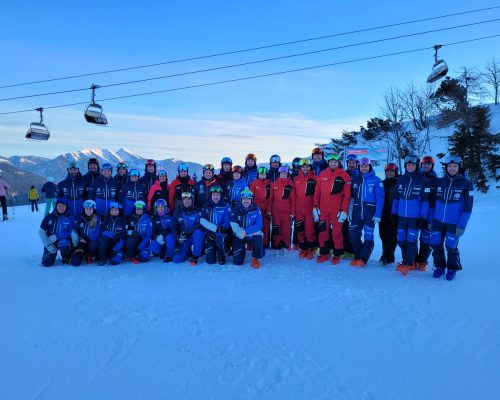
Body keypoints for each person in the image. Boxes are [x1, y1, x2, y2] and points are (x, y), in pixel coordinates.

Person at [430, 155, 474, 281]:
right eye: (450, 166)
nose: (452, 168)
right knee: (436, 245)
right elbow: (432, 204)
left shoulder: (466, 184)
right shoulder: (440, 181)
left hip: (453, 223)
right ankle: (439, 267)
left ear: (459, 167)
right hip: (437, 221)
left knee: (451, 246)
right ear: (446, 168)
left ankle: (452, 268)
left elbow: (468, 208)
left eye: (455, 166)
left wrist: (462, 225)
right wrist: (430, 220)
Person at [391, 154, 431, 276]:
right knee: (401, 240)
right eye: (408, 165)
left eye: (412, 165)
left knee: (411, 241)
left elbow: (425, 201)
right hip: (402, 216)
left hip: (415, 218)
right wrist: (394, 213)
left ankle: (408, 264)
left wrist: (423, 217)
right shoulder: (401, 179)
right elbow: (396, 198)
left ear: (416, 165)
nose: (410, 167)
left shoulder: (424, 181)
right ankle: (410, 261)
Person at [313, 153, 352, 264]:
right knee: (323, 232)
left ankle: (337, 254)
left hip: (337, 211)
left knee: (337, 233)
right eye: (331, 162)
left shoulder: (345, 176)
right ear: (328, 163)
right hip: (323, 210)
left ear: (338, 162)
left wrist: (344, 210)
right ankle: (324, 253)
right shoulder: (322, 174)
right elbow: (317, 192)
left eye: (335, 162)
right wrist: (315, 207)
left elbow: (347, 196)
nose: (333, 164)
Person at [348, 157, 384, 267]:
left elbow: (380, 198)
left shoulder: (376, 180)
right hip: (356, 212)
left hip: (370, 213)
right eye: (362, 166)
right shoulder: (356, 179)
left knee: (368, 236)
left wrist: (378, 214)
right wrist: (350, 211)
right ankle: (357, 255)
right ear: (359, 167)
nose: (364, 168)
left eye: (366, 166)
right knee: (353, 235)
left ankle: (363, 259)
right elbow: (352, 198)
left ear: (369, 167)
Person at [414, 155, 439, 271]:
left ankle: (422, 261)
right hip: (415, 212)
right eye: (424, 164)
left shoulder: (436, 180)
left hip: (429, 212)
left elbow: (435, 200)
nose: (426, 166)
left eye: (428, 164)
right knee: (412, 237)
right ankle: (413, 260)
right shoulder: (417, 177)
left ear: (432, 166)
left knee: (425, 238)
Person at [230, 188, 264, 268]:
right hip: (239, 234)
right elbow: (234, 225)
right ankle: (242, 251)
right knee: (237, 262)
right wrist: (241, 233)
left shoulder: (256, 209)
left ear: (251, 200)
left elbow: (259, 225)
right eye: (244, 199)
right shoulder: (235, 210)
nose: (246, 201)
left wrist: (245, 232)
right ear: (241, 199)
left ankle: (255, 258)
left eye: (248, 199)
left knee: (259, 235)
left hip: (249, 233)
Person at [292, 158, 317, 259]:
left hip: (309, 210)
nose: (305, 168)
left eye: (307, 166)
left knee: (309, 230)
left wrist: (316, 208)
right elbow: (293, 196)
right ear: (300, 168)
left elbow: (317, 194)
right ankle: (302, 249)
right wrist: (293, 210)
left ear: (309, 167)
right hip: (298, 210)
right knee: (300, 230)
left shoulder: (315, 178)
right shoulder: (296, 179)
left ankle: (310, 249)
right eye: (303, 167)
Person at [267, 165, 295, 255]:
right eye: (282, 173)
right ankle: (277, 245)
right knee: (276, 229)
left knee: (286, 230)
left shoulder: (290, 185)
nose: (283, 174)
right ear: (279, 174)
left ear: (287, 174)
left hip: (287, 212)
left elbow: (293, 200)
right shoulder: (274, 184)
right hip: (276, 212)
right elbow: (270, 199)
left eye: (285, 173)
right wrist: (269, 210)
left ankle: (286, 245)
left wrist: (292, 212)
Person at [38, 198, 74, 267]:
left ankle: (65, 256)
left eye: (63, 206)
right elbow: (41, 231)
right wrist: (47, 245)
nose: (61, 208)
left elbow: (71, 233)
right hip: (50, 241)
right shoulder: (48, 217)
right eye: (59, 205)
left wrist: (58, 236)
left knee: (64, 246)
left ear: (66, 207)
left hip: (63, 241)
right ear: (56, 206)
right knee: (47, 263)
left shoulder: (70, 218)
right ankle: (51, 254)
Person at [200, 185, 231, 265]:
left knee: (219, 237)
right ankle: (212, 249)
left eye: (217, 195)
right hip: (210, 233)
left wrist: (221, 229)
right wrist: (211, 230)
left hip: (221, 232)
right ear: (211, 195)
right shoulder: (206, 205)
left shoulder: (225, 205)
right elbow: (202, 220)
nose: (216, 197)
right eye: (214, 195)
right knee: (210, 261)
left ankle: (221, 254)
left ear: (221, 195)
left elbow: (227, 221)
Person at [172, 192, 205, 265]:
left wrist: (187, 231)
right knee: (176, 259)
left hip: (194, 236)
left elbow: (200, 224)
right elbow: (173, 227)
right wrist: (177, 237)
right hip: (183, 238)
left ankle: (195, 256)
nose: (187, 201)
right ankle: (187, 251)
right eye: (185, 199)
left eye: (189, 199)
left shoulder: (198, 211)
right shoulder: (178, 212)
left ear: (192, 200)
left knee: (198, 232)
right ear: (182, 201)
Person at [379, 163, 399, 265]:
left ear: (395, 172)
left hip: (394, 215)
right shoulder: (382, 183)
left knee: (392, 237)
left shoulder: (399, 183)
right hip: (383, 214)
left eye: (392, 171)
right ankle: (387, 256)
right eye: (388, 172)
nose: (390, 173)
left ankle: (387, 256)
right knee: (383, 235)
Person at [70, 199, 101, 266]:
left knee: (93, 244)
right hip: (81, 241)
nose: (88, 211)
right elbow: (75, 231)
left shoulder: (98, 219)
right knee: (75, 263)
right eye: (87, 209)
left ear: (94, 209)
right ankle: (79, 254)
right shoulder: (79, 218)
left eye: (90, 209)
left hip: (92, 241)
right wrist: (77, 241)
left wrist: (86, 239)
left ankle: (90, 255)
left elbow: (97, 233)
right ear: (84, 209)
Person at [97, 201, 127, 266]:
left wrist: (115, 250)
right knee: (103, 238)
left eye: (116, 210)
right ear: (109, 211)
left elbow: (124, 234)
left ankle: (120, 254)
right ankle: (102, 258)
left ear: (119, 211)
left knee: (114, 262)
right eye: (112, 210)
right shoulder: (106, 220)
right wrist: (113, 235)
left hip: (119, 244)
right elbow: (102, 231)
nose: (114, 212)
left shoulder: (123, 220)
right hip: (109, 242)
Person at [249, 166, 271, 248]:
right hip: (256, 210)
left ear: (266, 175)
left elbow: (270, 198)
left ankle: (264, 243)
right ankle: (252, 243)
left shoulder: (269, 184)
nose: (262, 176)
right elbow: (251, 197)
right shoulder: (253, 184)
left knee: (265, 227)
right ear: (258, 175)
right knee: (255, 226)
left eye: (264, 174)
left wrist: (269, 209)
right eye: (261, 174)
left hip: (265, 210)